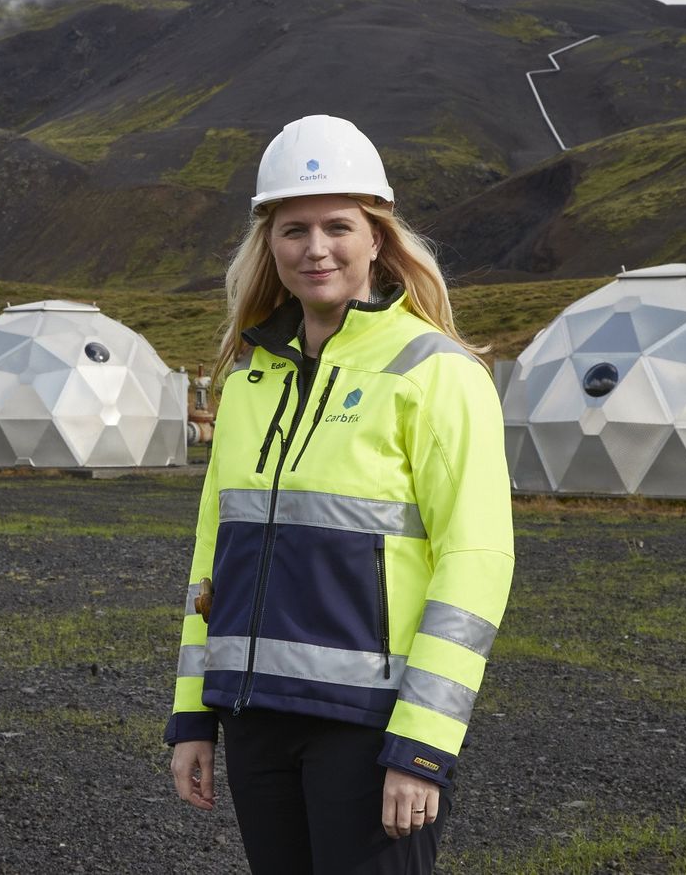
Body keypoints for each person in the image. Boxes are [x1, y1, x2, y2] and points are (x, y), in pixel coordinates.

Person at [165, 114, 515, 873]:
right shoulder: (251, 377)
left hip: (371, 727)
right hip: (257, 721)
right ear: (268, 242)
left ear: (378, 237)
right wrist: (194, 713)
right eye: (293, 229)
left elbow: (475, 563)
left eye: (337, 226)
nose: (315, 249)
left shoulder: (437, 373)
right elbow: (211, 562)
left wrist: (422, 743)